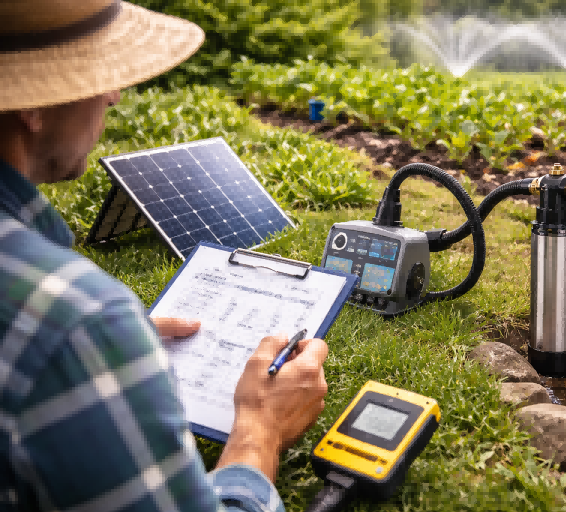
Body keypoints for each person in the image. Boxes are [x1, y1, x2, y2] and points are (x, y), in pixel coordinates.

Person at [0, 1, 329, 511]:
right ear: (32, 107)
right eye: (96, 75)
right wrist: (258, 434)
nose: (113, 95)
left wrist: (94, 356)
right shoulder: (74, 316)